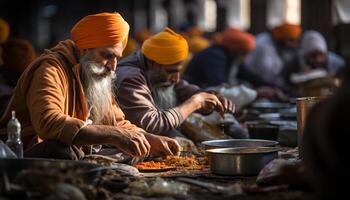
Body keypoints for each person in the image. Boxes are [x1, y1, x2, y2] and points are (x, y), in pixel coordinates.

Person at [0, 12, 180, 160]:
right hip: (21, 156)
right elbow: (49, 122)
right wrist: (115, 135)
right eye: (108, 55)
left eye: (117, 57)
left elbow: (116, 122)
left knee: (136, 151)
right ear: (83, 49)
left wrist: (148, 138)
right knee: (61, 150)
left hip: (77, 153)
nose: (113, 66)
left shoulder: (93, 72)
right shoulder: (50, 68)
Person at [115, 27, 235, 138]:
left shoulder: (155, 70)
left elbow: (179, 87)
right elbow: (152, 124)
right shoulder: (130, 78)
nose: (176, 78)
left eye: (178, 71)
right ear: (152, 63)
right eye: (171, 71)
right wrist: (195, 102)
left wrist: (210, 96)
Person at [184, 28, 258, 88]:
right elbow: (218, 86)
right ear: (237, 50)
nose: (246, 57)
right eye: (245, 53)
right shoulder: (215, 57)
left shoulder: (233, 58)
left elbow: (249, 76)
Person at [245, 22, 302, 88]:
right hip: (257, 85)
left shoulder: (276, 45)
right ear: (282, 39)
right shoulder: (263, 45)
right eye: (291, 40)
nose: (294, 45)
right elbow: (265, 73)